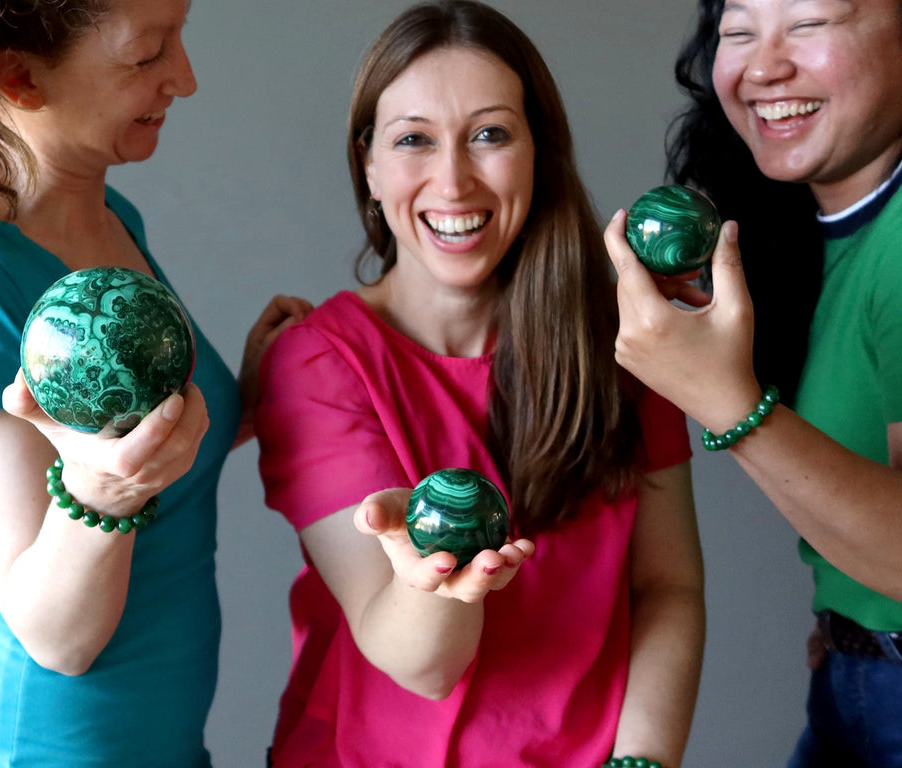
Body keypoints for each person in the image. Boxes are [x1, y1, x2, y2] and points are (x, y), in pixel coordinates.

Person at [254, 2, 705, 766]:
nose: (454, 181)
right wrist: (440, 584)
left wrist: (644, 760)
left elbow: (668, 586)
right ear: (367, 163)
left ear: (539, 150)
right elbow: (420, 667)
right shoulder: (314, 362)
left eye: (490, 135)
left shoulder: (624, 339)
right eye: (413, 141)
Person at [0, 1, 310, 766]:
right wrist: (104, 495)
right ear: (19, 77)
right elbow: (57, 637)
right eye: (147, 55)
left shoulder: (111, 216)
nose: (185, 77)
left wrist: (241, 392)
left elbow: (131, 454)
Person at [601, 0, 902, 764]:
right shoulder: (810, 230)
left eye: (810, 23)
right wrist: (853, 621)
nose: (763, 67)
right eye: (738, 32)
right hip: (858, 676)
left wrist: (727, 401)